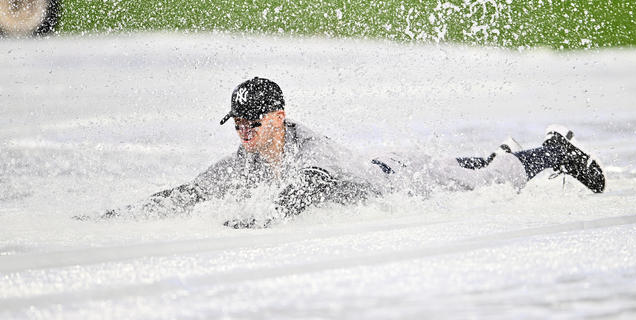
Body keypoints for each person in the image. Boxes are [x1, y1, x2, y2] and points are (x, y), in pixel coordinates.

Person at [95, 77, 605, 228]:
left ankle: (552, 151)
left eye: (252, 122)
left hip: (404, 180)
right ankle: (502, 153)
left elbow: (310, 186)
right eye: (237, 124)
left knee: (493, 181)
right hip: (391, 170)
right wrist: (122, 214)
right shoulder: (247, 158)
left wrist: (263, 216)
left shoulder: (309, 150)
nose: (243, 133)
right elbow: (193, 190)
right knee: (477, 168)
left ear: (278, 117)